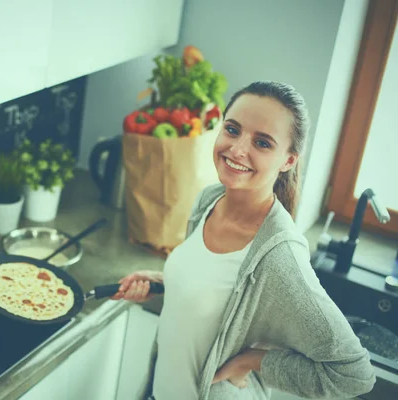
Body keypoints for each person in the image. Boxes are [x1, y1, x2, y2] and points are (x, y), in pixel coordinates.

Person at [112, 81, 376, 399]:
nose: (237, 149)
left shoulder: (279, 257)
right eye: (233, 129)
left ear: (288, 161)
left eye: (262, 143)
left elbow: (354, 375)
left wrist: (253, 361)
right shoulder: (209, 200)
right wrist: (161, 281)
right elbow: (221, 298)